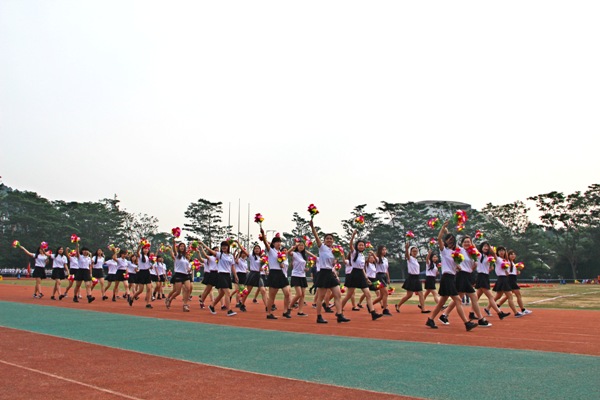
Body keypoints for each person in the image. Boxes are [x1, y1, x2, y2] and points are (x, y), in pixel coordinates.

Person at [425, 221, 478, 331]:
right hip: (446, 278)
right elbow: (439, 239)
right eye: (448, 240)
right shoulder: (444, 251)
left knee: (441, 302)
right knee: (458, 300)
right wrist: (443, 227)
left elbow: (456, 262)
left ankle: (430, 319)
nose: (450, 241)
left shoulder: (456, 252)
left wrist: (457, 266)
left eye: (452, 240)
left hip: (451, 277)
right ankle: (467, 323)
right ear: (445, 242)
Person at [437, 236, 490, 327]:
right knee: (473, 297)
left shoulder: (472, 253)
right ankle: (481, 319)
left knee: (458, 298)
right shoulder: (460, 250)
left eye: (468, 242)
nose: (467, 243)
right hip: (461, 275)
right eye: (465, 242)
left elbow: (477, 257)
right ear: (461, 243)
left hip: (468, 276)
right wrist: (446, 231)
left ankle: (444, 315)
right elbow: (451, 241)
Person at [309, 219, 349, 324]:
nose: (329, 240)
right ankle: (319, 316)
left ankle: (339, 314)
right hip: (323, 273)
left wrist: (335, 261)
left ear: (333, 241)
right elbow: (316, 237)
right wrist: (313, 228)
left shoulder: (334, 251)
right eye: (327, 239)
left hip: (330, 273)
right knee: (321, 296)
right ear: (324, 240)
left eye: (331, 239)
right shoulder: (322, 248)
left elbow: (333, 263)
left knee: (338, 294)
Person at [341, 230, 382, 320]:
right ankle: (339, 312)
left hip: (361, 274)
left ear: (364, 247)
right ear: (357, 246)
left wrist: (366, 277)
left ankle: (373, 313)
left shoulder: (363, 255)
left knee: (368, 294)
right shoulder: (354, 253)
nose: (361, 246)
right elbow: (350, 244)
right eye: (359, 245)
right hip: (354, 274)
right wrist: (353, 235)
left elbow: (362, 268)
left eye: (362, 245)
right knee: (349, 295)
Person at [259, 228, 292, 320]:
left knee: (287, 293)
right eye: (277, 242)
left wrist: (281, 264)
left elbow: (281, 262)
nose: (278, 243)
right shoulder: (271, 251)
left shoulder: (280, 253)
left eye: (279, 242)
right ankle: (269, 313)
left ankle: (285, 311)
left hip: (280, 274)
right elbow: (266, 243)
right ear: (273, 243)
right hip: (273, 273)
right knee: (272, 296)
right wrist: (263, 233)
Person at [475, 242, 510, 319]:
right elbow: (474, 248)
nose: (486, 248)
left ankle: (472, 312)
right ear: (481, 247)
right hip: (481, 276)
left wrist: (490, 267)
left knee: (477, 296)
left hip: (486, 276)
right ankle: (499, 313)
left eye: (487, 247)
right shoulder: (479, 255)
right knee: (490, 296)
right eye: (484, 246)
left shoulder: (488, 257)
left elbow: (494, 256)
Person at [207, 240, 239, 317]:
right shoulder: (219, 254)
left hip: (228, 275)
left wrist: (235, 276)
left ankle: (212, 306)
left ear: (228, 247)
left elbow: (232, 266)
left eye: (225, 246)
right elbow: (211, 251)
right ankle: (229, 310)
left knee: (222, 293)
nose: (224, 247)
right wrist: (203, 245)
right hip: (221, 274)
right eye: (222, 246)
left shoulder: (231, 256)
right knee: (227, 292)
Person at [395, 243, 430, 314]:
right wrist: (406, 249)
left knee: (420, 293)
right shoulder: (410, 258)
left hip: (417, 278)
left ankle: (423, 309)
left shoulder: (416, 260)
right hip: (411, 277)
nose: (415, 253)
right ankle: (398, 305)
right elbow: (407, 256)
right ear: (411, 252)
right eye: (413, 251)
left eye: (416, 251)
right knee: (409, 295)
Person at [287, 239, 317, 317]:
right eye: (299, 245)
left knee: (303, 295)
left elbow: (313, 258)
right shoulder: (294, 253)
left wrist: (305, 269)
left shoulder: (303, 256)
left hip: (302, 275)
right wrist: (293, 247)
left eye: (302, 245)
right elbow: (287, 253)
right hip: (296, 275)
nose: (301, 246)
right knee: (299, 294)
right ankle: (289, 308)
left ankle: (300, 312)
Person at [493, 248, 526, 317]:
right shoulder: (499, 259)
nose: (502, 252)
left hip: (506, 278)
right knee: (508, 296)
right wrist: (491, 249)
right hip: (504, 278)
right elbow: (494, 256)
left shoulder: (506, 261)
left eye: (503, 251)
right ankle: (518, 312)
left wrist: (517, 270)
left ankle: (492, 307)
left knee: (502, 296)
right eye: (500, 251)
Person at [165, 238, 192, 312]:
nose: (182, 247)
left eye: (183, 246)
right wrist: (174, 242)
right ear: (179, 248)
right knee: (177, 291)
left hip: (185, 275)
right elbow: (174, 249)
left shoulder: (185, 258)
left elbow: (187, 267)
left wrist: (189, 269)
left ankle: (185, 305)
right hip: (178, 275)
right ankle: (170, 300)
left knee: (188, 289)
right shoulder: (177, 255)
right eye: (181, 246)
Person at [240, 245, 268, 312]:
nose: (257, 250)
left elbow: (264, 264)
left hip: (259, 275)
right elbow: (243, 251)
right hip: (252, 274)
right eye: (255, 248)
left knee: (263, 291)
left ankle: (267, 306)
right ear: (253, 250)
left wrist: (262, 267)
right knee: (247, 291)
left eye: (258, 248)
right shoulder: (251, 256)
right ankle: (242, 304)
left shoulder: (261, 258)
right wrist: (238, 243)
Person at [129, 243, 154, 309]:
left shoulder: (149, 258)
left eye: (147, 249)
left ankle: (148, 303)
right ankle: (132, 298)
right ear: (142, 250)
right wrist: (140, 246)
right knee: (140, 290)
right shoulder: (140, 256)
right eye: (144, 249)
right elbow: (137, 252)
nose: (146, 250)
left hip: (147, 272)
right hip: (141, 273)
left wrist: (151, 266)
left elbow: (149, 266)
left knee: (149, 288)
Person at [372, 245, 392, 315]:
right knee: (385, 293)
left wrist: (388, 278)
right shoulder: (377, 258)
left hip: (383, 276)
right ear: (380, 251)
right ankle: (385, 309)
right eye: (383, 250)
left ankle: (370, 305)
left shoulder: (386, 259)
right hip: (378, 276)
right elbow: (375, 259)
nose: (384, 251)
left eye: (385, 250)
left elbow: (386, 270)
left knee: (381, 296)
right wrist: (372, 254)